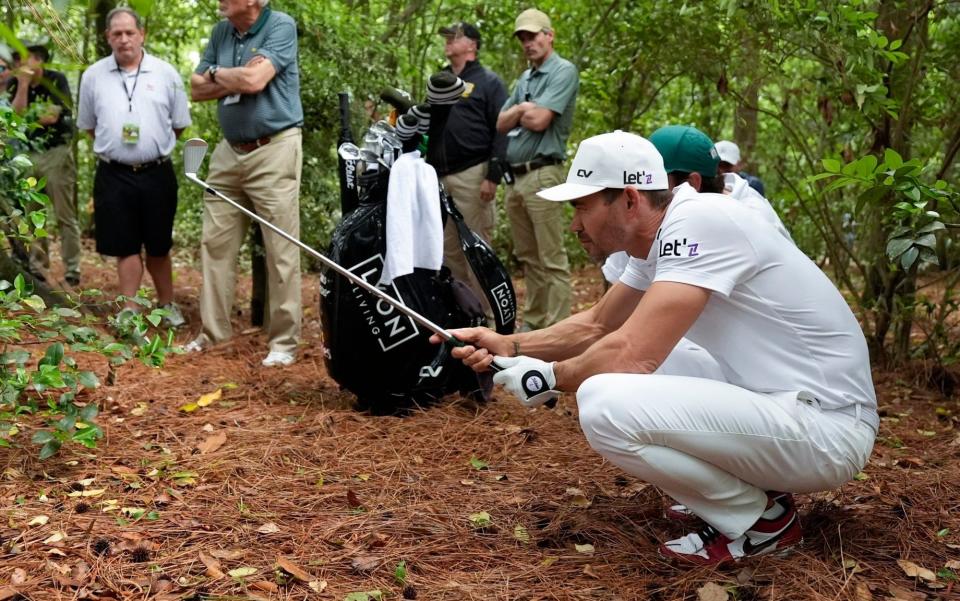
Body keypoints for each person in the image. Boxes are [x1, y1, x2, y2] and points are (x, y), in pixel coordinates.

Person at [436, 131, 877, 565]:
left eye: (582, 207)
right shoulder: (661, 237)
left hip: (828, 428)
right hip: (788, 408)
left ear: (630, 199)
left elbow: (632, 354)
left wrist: (548, 377)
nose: (574, 224)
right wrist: (509, 344)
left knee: (603, 401)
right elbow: (598, 323)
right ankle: (747, 493)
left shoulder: (700, 221)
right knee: (650, 360)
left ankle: (764, 521)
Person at [188, 0, 304, 367]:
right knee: (215, 243)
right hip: (228, 151)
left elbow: (255, 81)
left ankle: (283, 343)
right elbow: (195, 88)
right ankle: (213, 335)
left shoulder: (280, 25)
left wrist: (217, 74)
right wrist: (233, 73)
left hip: (274, 147)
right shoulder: (221, 31)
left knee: (281, 247)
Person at [77, 8, 190, 325]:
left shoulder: (165, 73)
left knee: (158, 245)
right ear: (108, 37)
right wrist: (118, 148)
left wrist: (151, 146)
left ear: (142, 34)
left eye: (130, 32)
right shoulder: (93, 76)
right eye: (117, 33)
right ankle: (130, 310)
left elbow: (179, 124)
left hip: (157, 172)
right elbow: (89, 125)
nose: (124, 39)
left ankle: (166, 305)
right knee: (124, 245)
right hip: (113, 174)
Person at [497, 8, 578, 331]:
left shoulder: (563, 71)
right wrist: (522, 107)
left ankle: (558, 329)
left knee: (551, 258)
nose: (528, 43)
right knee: (529, 259)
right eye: (523, 38)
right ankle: (533, 327)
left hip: (544, 173)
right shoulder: (526, 79)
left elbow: (541, 120)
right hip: (516, 178)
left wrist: (527, 113)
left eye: (533, 36)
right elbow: (501, 123)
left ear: (549, 35)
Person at [429, 21, 508, 321]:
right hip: (440, 177)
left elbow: (501, 130)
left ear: (472, 44)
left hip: (473, 174)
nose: (448, 41)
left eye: (456, 36)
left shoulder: (488, 82)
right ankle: (465, 316)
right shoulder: (441, 79)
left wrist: (493, 174)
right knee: (450, 252)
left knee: (477, 249)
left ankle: (490, 318)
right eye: (446, 36)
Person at [9, 43, 81, 286]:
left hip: (56, 153)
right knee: (32, 213)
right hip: (29, 153)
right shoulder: (16, 84)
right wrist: (23, 85)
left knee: (64, 214)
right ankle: (38, 268)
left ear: (39, 60)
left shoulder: (56, 80)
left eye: (25, 59)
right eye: (17, 60)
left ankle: (72, 270)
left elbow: (51, 117)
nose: (20, 64)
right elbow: (15, 118)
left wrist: (27, 118)